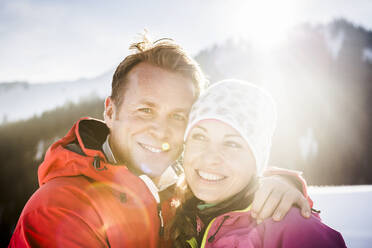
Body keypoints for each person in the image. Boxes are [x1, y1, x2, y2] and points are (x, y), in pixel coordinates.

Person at [9, 37, 311, 247]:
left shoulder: (178, 191)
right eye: (145, 110)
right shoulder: (62, 209)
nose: (161, 131)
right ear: (111, 111)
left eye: (178, 117)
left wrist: (276, 185)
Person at [171, 79, 346, 247]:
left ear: (256, 160)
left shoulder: (289, 225)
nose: (210, 158)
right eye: (200, 136)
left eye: (232, 143)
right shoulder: (177, 213)